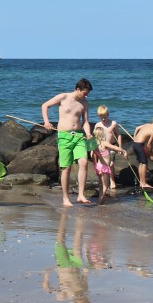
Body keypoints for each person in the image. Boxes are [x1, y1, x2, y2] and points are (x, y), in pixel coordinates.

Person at [42, 78, 94, 207]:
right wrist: (46, 122)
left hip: (79, 136)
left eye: (87, 93)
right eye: (85, 93)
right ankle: (65, 198)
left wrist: (88, 133)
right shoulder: (64, 97)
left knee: (84, 162)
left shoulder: (85, 103)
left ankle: (81, 194)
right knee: (66, 168)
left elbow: (86, 122)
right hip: (64, 136)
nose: (86, 95)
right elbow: (45, 105)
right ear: (78, 89)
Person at [92, 122, 125, 204]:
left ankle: (101, 200)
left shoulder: (95, 144)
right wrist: (123, 150)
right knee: (105, 186)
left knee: (101, 185)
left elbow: (93, 155)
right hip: (105, 167)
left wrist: (95, 165)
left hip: (98, 166)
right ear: (103, 135)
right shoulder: (104, 143)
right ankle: (100, 201)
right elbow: (114, 147)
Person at [130, 115, 153, 189]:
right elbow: (149, 145)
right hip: (139, 145)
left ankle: (141, 182)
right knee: (144, 163)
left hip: (135, 144)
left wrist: (134, 137)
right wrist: (151, 155)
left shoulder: (147, 124)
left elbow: (137, 128)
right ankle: (143, 183)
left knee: (141, 163)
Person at [96, 105, 122, 191]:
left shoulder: (113, 123)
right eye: (101, 117)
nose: (103, 119)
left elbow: (118, 135)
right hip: (102, 148)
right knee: (103, 165)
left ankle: (112, 180)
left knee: (111, 164)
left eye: (105, 117)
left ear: (108, 114)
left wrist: (120, 146)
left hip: (112, 146)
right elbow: (96, 137)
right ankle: (103, 180)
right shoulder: (98, 125)